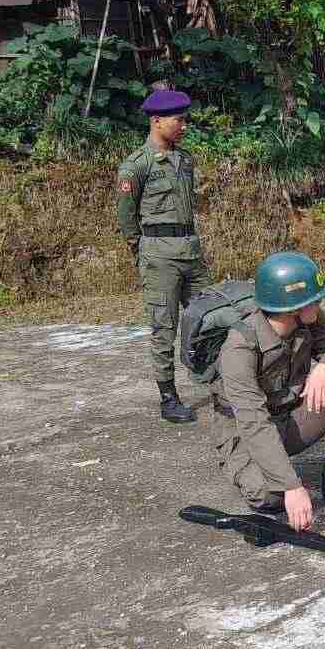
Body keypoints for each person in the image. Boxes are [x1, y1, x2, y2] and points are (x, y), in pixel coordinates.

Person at [212, 252, 325, 531]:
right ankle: (272, 476)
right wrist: (291, 486)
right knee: (269, 496)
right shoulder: (239, 348)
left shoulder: (307, 318)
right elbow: (253, 422)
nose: (322, 301)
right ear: (292, 307)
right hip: (247, 432)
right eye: (316, 297)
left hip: (291, 416)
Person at [116, 89, 206, 423]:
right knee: (163, 326)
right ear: (156, 120)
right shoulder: (136, 166)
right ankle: (168, 398)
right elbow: (126, 218)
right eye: (178, 120)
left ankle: (221, 382)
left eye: (184, 119)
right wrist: (140, 250)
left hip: (190, 250)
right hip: (158, 254)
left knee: (209, 317)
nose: (184, 125)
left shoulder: (184, 160)